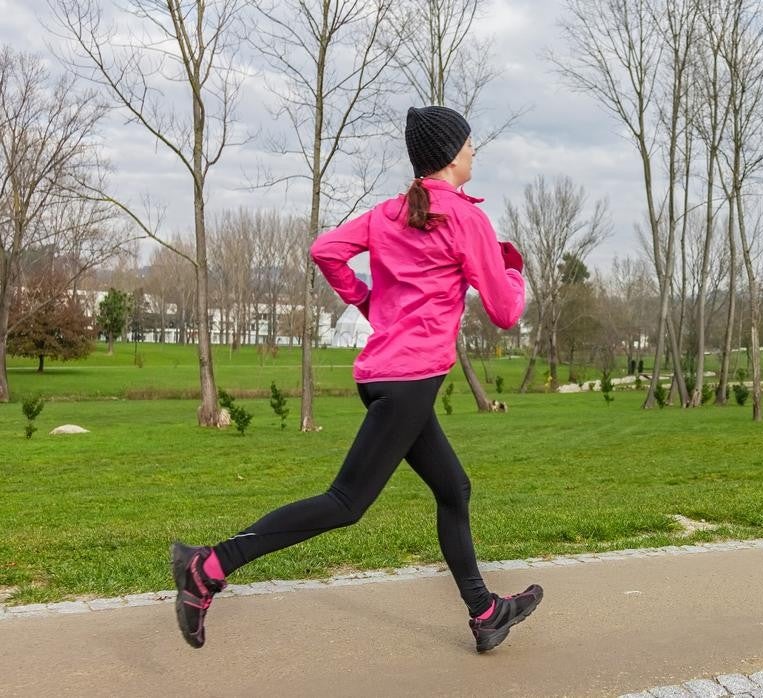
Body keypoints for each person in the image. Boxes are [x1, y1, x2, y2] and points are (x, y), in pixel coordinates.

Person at [170, 105, 542, 654]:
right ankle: (209, 567)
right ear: (449, 154)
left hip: (383, 377)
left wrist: (369, 303)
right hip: (410, 381)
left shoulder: (390, 212)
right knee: (346, 502)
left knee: (453, 488)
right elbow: (507, 311)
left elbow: (327, 250)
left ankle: (486, 612)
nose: (473, 151)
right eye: (468, 143)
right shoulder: (465, 219)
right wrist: (513, 269)